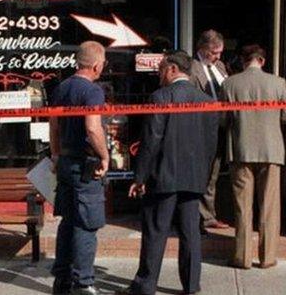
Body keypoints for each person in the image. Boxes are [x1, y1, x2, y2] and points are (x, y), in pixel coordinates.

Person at [123, 51, 219, 295]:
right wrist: (204, 175)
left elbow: (151, 139)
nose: (158, 74)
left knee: (155, 232)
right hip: (193, 178)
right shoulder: (207, 100)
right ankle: (191, 285)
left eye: (162, 69)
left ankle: (146, 285)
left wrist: (140, 177)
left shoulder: (161, 97)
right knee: (190, 234)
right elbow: (211, 143)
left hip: (162, 177)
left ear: (174, 69)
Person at [49, 41, 110, 295]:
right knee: (86, 224)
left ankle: (61, 279)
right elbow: (93, 128)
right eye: (103, 63)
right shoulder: (93, 92)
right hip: (86, 165)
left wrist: (55, 155)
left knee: (68, 221)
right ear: (96, 65)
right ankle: (83, 282)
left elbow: (53, 125)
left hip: (64, 162)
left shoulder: (61, 88)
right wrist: (105, 156)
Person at [220, 45, 286, 269]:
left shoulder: (229, 84)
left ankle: (242, 257)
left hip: (240, 149)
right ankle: (267, 257)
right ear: (263, 60)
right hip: (271, 151)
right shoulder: (280, 84)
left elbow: (223, 120)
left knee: (242, 206)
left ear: (243, 60)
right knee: (269, 206)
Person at [189, 29, 230, 230]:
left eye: (220, 53)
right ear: (203, 48)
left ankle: (209, 215)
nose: (217, 57)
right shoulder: (192, 68)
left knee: (214, 172)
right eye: (214, 53)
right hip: (201, 127)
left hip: (220, 126)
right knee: (203, 173)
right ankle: (202, 217)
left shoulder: (220, 67)